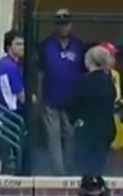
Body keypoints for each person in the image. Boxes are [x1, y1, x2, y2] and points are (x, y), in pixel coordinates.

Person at [37, 9, 85, 175]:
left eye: (65, 23)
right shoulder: (46, 45)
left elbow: (85, 72)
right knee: (53, 138)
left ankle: (70, 170)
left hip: (73, 101)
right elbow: (40, 73)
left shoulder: (79, 45)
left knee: (71, 137)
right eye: (59, 23)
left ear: (70, 25)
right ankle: (58, 173)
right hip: (51, 98)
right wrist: (39, 96)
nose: (63, 27)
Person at [68, 45, 116, 176]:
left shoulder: (83, 82)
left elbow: (74, 105)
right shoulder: (109, 82)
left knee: (83, 167)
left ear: (88, 61)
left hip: (87, 130)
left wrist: (73, 120)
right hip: (106, 128)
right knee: (99, 166)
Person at [0, 29, 24, 114]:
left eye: (23, 44)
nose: (22, 47)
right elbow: (21, 96)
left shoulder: (14, 64)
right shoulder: (9, 66)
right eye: (18, 44)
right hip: (10, 114)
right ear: (9, 47)